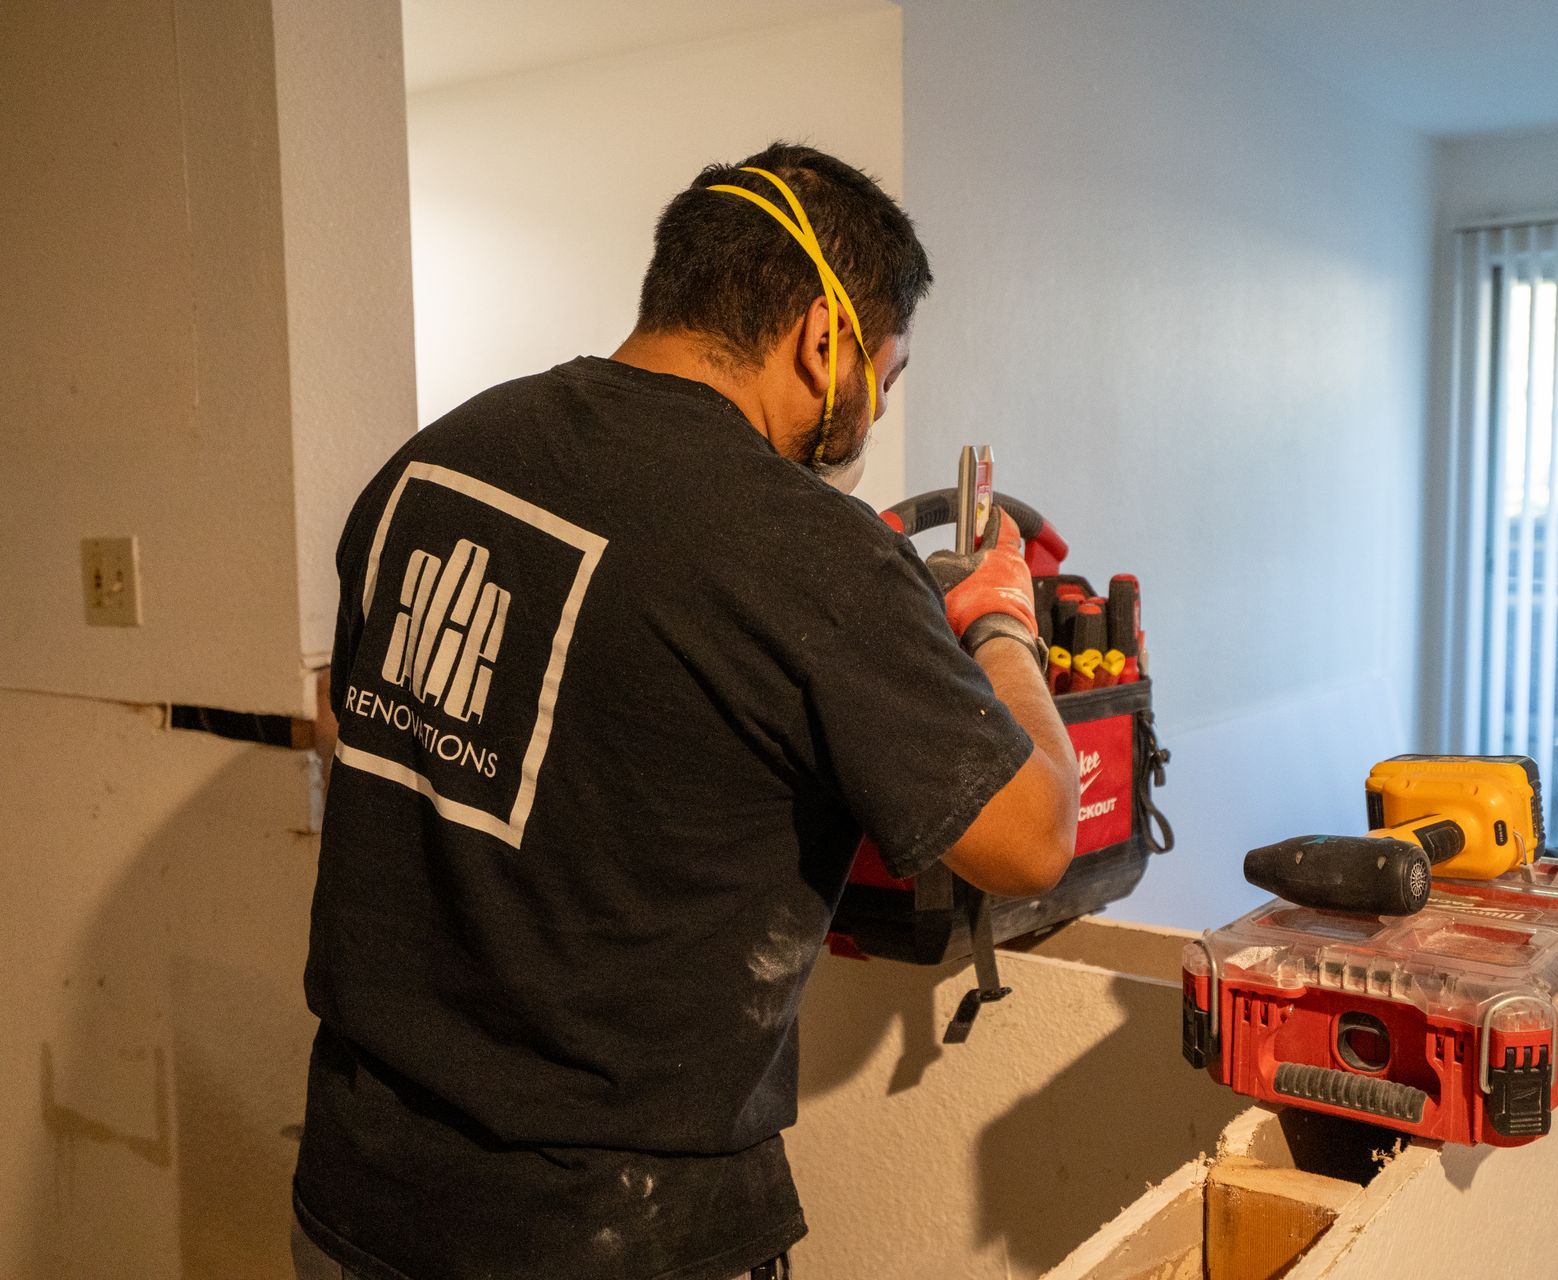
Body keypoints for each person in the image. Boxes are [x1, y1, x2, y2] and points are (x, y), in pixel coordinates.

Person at [291, 142, 1077, 1280]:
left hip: (354, 1193)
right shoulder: (809, 549)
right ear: (824, 339)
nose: (873, 414)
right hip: (608, 1233)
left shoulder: (435, 461)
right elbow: (1032, 836)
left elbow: (347, 717)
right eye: (885, 376)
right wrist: (1001, 622)